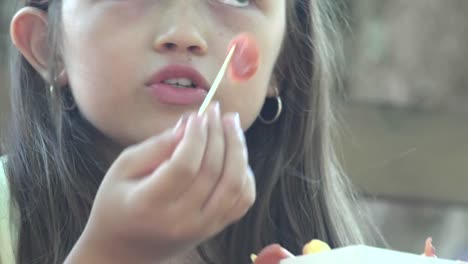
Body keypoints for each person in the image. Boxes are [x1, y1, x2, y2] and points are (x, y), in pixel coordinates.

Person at [0, 0, 381, 263]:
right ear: (48, 47)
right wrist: (114, 253)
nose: (183, 34)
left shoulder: (315, 249)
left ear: (283, 62)